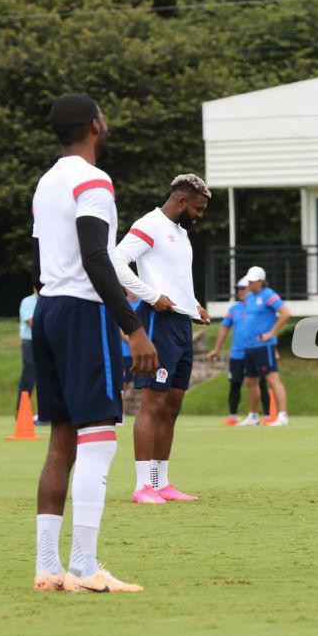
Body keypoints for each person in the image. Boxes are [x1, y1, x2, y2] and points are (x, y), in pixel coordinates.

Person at [31, 93, 157, 593]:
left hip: (47, 307)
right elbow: (96, 257)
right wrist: (134, 326)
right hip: (83, 312)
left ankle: (47, 567)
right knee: (99, 436)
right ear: (94, 125)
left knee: (62, 439)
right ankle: (84, 569)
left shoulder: (46, 181)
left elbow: (41, 251)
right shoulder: (94, 179)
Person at [114, 174, 211, 504]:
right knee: (152, 403)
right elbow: (116, 262)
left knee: (173, 404)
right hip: (157, 322)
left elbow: (177, 277)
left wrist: (193, 303)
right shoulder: (150, 224)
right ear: (181, 201)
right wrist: (150, 295)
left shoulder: (181, 234)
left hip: (181, 323)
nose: (199, 215)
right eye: (197, 209)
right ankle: (143, 486)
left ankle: (162, 482)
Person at [207, 277, 270, 425]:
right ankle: (233, 416)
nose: (240, 291)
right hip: (237, 354)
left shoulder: (259, 307)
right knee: (235, 384)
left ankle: (267, 416)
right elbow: (223, 330)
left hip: (256, 351)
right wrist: (216, 349)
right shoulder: (233, 310)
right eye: (238, 289)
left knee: (261, 383)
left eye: (243, 288)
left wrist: (273, 349)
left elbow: (268, 328)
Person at [237, 266, 290, 427]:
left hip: (264, 345)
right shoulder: (250, 297)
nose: (249, 284)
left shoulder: (269, 295)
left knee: (272, 379)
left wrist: (271, 333)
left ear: (260, 281)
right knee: (250, 381)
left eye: (252, 281)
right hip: (249, 346)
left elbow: (285, 313)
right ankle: (253, 416)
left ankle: (282, 416)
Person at [16, 285, 38, 413]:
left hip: (45, 342)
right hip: (29, 342)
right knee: (28, 376)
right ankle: (21, 412)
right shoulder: (27, 301)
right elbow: (31, 323)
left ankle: (45, 415)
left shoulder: (47, 301)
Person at [120, 290, 141, 393]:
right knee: (125, 383)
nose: (132, 291)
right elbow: (121, 329)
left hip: (142, 351)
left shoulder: (143, 303)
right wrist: (135, 340)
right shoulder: (122, 303)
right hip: (126, 353)